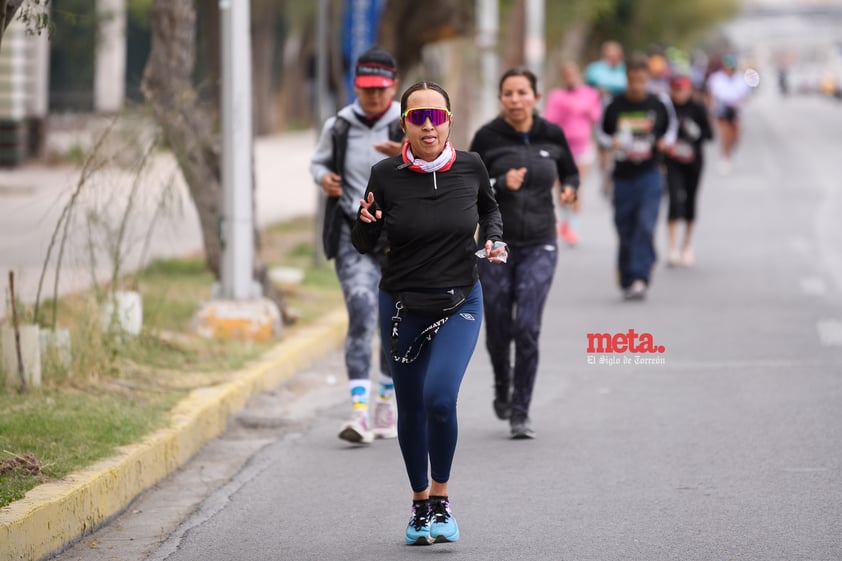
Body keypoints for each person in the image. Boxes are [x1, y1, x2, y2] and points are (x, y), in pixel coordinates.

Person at [351, 81, 506, 545]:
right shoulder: (385, 174)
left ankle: (441, 497)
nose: (427, 125)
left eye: (436, 116)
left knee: (440, 398)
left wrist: (493, 238)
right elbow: (364, 244)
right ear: (404, 123)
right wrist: (364, 225)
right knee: (411, 407)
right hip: (402, 305)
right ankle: (420, 505)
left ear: (449, 121)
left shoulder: (472, 166)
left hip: (461, 299)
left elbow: (490, 209)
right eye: (418, 117)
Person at [469, 67, 579, 438]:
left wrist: (569, 190)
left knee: (527, 326)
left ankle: (521, 410)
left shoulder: (552, 134)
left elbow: (571, 173)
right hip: (496, 244)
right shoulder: (487, 137)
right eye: (508, 93)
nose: (516, 99)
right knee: (499, 323)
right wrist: (500, 182)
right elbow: (470, 187)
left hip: (540, 242)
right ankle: (502, 383)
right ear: (501, 99)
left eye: (522, 92)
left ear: (536, 95)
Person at [309, 46, 404, 445]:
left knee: (395, 323)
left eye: (382, 90)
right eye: (367, 90)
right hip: (354, 233)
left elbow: (443, 161)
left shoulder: (409, 122)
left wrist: (406, 155)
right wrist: (323, 179)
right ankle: (359, 414)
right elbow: (318, 163)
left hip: (402, 238)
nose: (375, 97)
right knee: (363, 312)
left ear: (394, 86)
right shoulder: (339, 125)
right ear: (356, 86)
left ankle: (386, 401)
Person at [598, 54, 672, 301]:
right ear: (627, 79)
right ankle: (627, 275)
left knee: (645, 223)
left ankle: (640, 276)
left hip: (650, 174)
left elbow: (670, 131)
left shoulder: (659, 103)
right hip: (623, 176)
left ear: (648, 79)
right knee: (625, 226)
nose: (637, 86)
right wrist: (612, 142)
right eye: (633, 80)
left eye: (642, 80)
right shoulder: (614, 104)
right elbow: (602, 134)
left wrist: (664, 142)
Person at [544, 61, 602, 246]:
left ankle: (573, 227)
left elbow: (596, 117)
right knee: (561, 186)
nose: (570, 77)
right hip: (560, 148)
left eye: (573, 73)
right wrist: (566, 108)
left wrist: (583, 107)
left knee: (575, 185)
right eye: (566, 74)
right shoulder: (557, 96)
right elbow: (549, 120)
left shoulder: (589, 94)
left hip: (582, 148)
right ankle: (565, 220)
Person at [663, 75, 713, 268]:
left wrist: (693, 130)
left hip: (694, 161)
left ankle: (687, 244)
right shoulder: (668, 109)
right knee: (674, 200)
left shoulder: (698, 108)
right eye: (675, 90)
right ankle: (672, 247)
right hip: (673, 162)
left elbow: (709, 135)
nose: (679, 94)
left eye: (683, 90)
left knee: (691, 201)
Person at [584, 41, 627, 199]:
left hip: (621, 114)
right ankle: (606, 175)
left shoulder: (625, 70)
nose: (612, 57)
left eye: (615, 54)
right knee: (604, 147)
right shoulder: (595, 70)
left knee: (619, 145)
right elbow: (587, 89)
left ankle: (616, 176)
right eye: (609, 54)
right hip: (601, 113)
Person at [706, 53, 750, 174]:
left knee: (735, 136)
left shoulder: (740, 78)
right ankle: (725, 157)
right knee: (725, 134)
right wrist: (710, 111)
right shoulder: (716, 78)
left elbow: (745, 95)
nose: (729, 70)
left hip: (736, 110)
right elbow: (711, 95)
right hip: (722, 109)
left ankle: (730, 151)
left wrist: (739, 103)